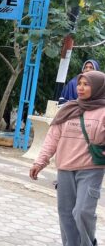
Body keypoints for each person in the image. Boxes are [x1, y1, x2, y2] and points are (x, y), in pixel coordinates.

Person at [30, 70, 105, 246]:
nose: (81, 88)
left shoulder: (103, 112)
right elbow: (52, 138)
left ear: (98, 88)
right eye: (80, 83)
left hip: (90, 170)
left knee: (82, 212)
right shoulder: (68, 108)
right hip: (64, 169)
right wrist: (40, 162)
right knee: (65, 213)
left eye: (87, 84)